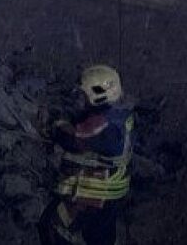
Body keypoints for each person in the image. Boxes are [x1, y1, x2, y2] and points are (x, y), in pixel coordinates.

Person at [38, 64, 134, 245]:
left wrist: (53, 125)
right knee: (100, 237)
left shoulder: (103, 126)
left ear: (99, 97)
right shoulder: (121, 114)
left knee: (51, 225)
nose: (79, 100)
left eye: (83, 96)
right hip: (110, 192)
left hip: (93, 193)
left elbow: (73, 139)